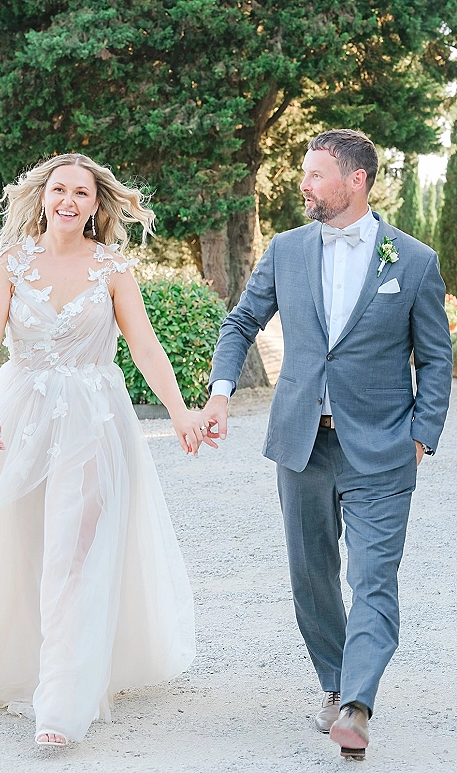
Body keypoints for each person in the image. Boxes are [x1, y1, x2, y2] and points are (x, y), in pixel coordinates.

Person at [0, 153, 203, 746]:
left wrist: (180, 412)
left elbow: (147, 349)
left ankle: (60, 703)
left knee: (73, 557)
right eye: (59, 190)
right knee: (22, 548)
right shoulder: (10, 264)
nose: (69, 201)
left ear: (97, 205)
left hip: (93, 422)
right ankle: (22, 662)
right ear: (43, 196)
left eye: (82, 192)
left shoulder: (113, 268)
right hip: (19, 417)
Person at [201, 130, 453, 760]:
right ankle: (336, 683)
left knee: (373, 578)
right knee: (312, 577)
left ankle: (357, 706)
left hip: (383, 449)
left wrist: (422, 435)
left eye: (315, 174)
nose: (304, 185)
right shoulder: (285, 251)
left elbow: (437, 356)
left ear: (355, 180)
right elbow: (241, 322)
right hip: (302, 444)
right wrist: (222, 390)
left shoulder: (413, 260)